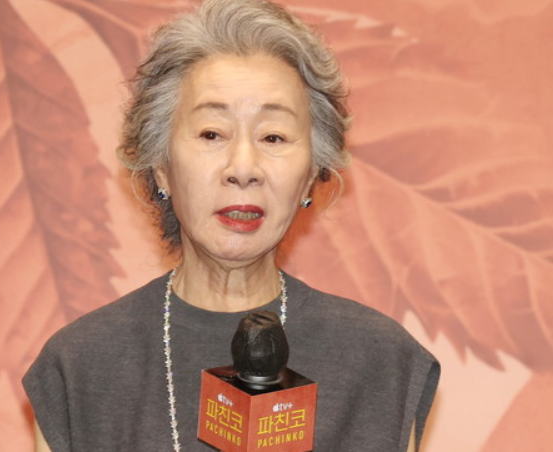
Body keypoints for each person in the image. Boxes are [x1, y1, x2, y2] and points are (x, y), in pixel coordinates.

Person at [23, 0, 440, 451]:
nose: (243, 168)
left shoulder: (380, 361)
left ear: (309, 175)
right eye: (212, 134)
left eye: (273, 136)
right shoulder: (80, 366)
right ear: (161, 168)